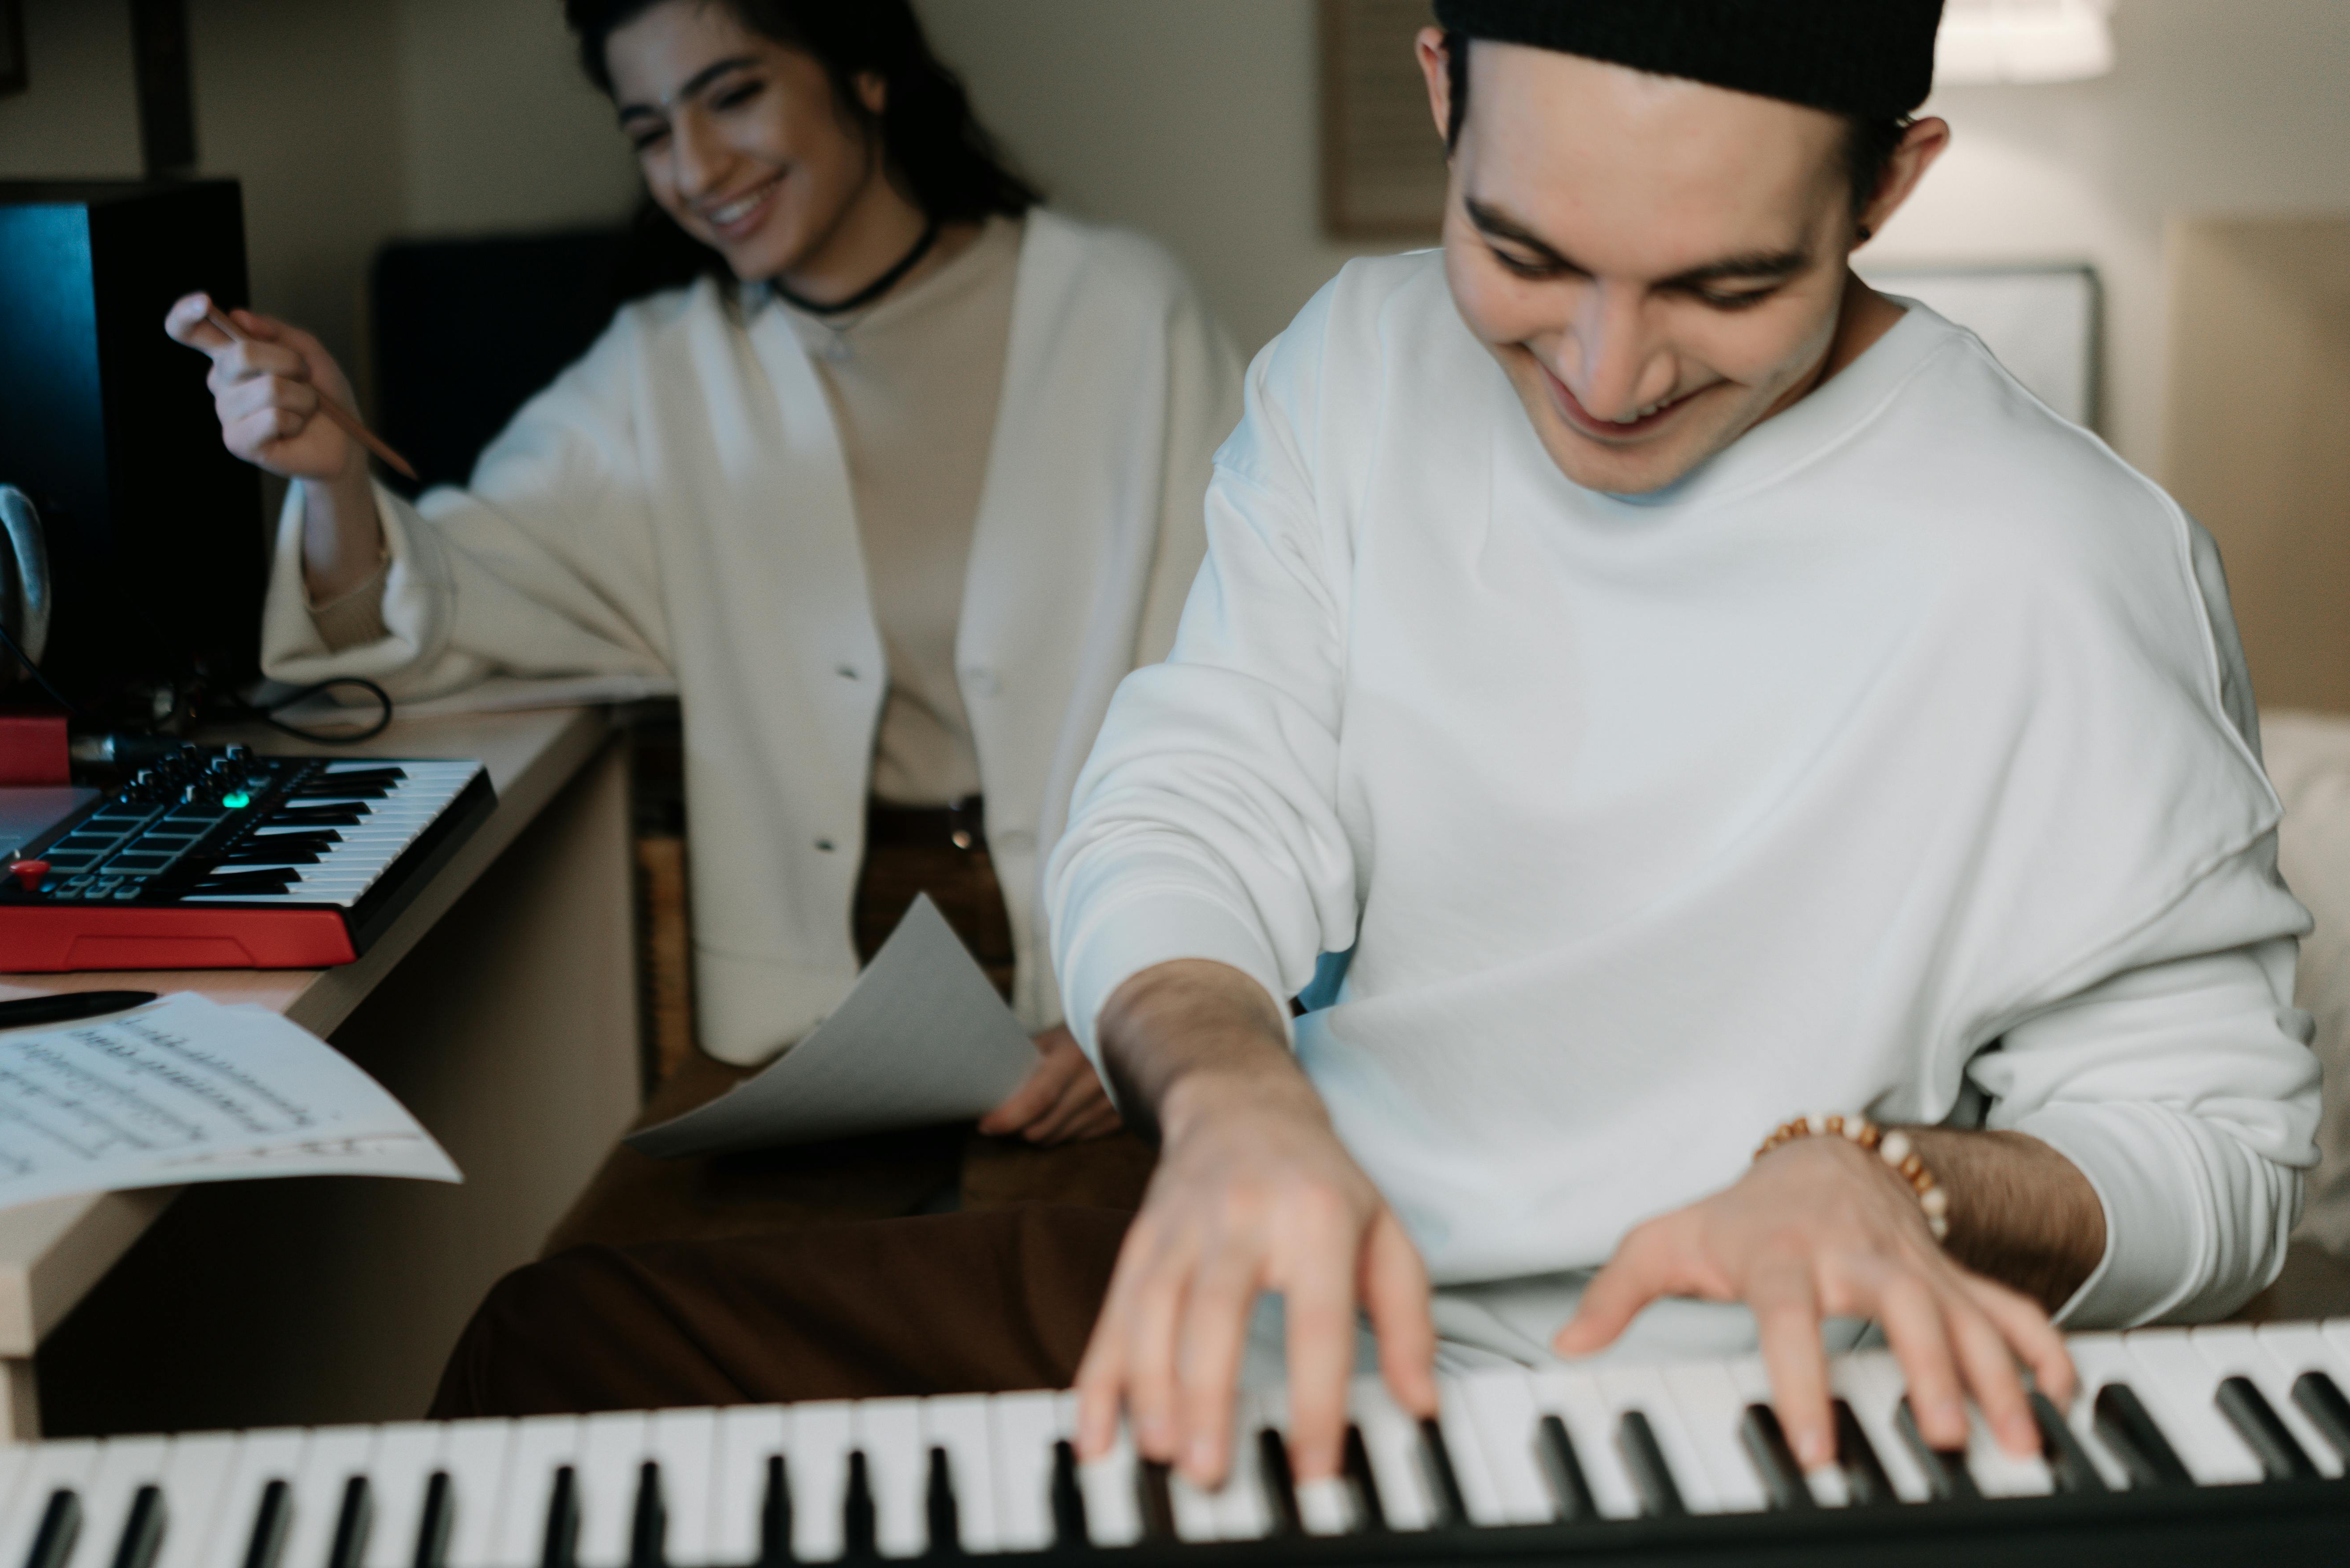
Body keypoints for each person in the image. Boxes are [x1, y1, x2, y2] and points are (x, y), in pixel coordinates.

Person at [428, 0, 2319, 1497]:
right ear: (1441, 88)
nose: (1600, 373)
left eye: (1724, 288)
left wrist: (1896, 1177)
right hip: (1289, 1291)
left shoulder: (2061, 566)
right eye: (1520, 251)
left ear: (1888, 183)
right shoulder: (1354, 365)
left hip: (1725, 1421)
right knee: (554, 1355)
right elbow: (1199, 794)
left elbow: (2218, 1160)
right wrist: (1234, 1096)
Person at [165, 0, 1242, 1225]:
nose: (695, 167)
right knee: (571, 1320)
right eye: (649, 128)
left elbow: (1234, 705)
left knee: (1050, 1312)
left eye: (732, 95)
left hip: (1108, 948)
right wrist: (332, 477)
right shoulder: (660, 373)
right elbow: (432, 613)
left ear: (867, 71)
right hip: (822, 1004)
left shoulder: (1120, 313)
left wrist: (1146, 993)